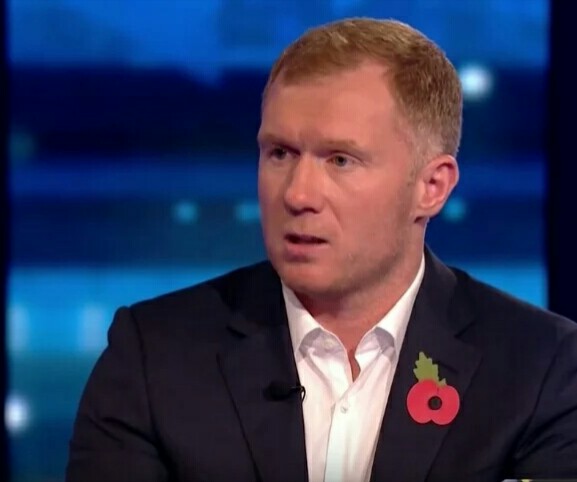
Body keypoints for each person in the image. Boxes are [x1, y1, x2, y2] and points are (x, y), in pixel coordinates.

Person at [65, 17, 577, 482]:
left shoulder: (540, 367)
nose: (298, 194)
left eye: (340, 160)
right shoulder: (154, 358)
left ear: (432, 187)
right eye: (280, 153)